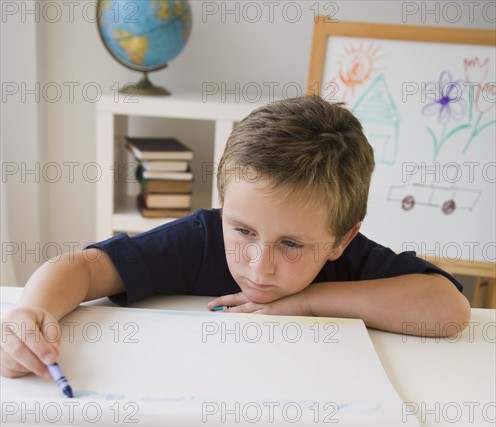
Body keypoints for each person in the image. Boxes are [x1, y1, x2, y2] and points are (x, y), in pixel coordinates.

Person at [1, 96, 470, 380]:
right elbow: (80, 268)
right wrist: (32, 311)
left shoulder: (346, 258)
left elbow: (449, 310)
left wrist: (307, 303)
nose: (259, 264)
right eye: (243, 230)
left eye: (292, 245)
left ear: (340, 241)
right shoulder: (200, 238)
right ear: (226, 207)